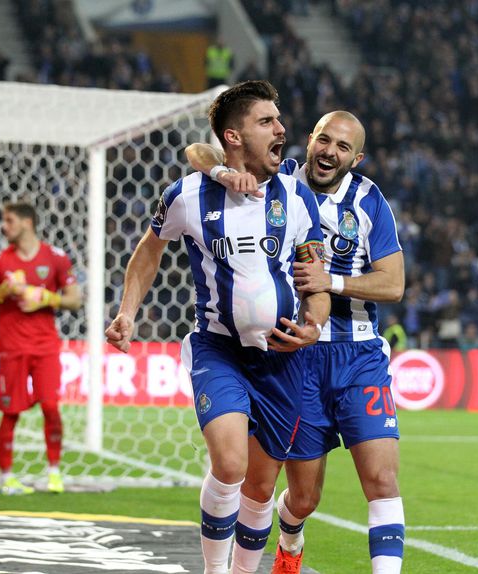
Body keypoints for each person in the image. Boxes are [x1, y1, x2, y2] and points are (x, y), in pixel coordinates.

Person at [105, 80, 330, 574]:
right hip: (218, 348)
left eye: (279, 118)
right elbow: (149, 250)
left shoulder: (294, 194)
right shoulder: (188, 194)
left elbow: (315, 276)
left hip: (284, 356)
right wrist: (128, 311)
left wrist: (315, 323)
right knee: (230, 465)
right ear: (234, 136)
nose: (281, 128)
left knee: (261, 488)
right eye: (266, 121)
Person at [187, 110, 406, 574]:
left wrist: (335, 282)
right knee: (303, 498)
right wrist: (223, 171)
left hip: (358, 354)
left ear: (357, 157)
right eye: (325, 140)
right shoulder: (279, 177)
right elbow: (198, 152)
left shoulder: (369, 200)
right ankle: (290, 535)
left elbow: (393, 284)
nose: (330, 152)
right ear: (310, 140)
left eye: (343, 147)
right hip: (294, 355)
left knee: (383, 479)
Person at [0, 202, 82, 495]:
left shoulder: (55, 258)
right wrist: (2, 292)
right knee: (11, 412)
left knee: (50, 407)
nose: (3, 226)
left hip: (46, 347)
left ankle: (54, 472)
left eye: (9, 220)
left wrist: (46, 297)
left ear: (26, 222)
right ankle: (7, 477)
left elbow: (75, 299)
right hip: (12, 348)